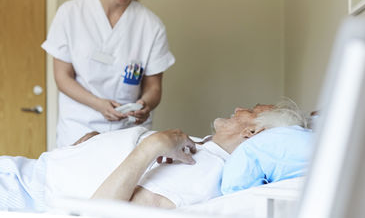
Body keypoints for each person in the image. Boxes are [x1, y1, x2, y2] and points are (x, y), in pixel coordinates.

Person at [0, 100, 309, 212]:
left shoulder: (204, 174)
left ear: (251, 134)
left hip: (24, 192)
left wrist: (151, 147)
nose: (240, 108)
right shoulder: (202, 149)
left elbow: (98, 214)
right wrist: (94, 145)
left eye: (252, 112)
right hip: (24, 172)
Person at [41, 0, 175, 147]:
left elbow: (153, 88)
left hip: (128, 134)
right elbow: (62, 77)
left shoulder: (151, 26)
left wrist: (144, 104)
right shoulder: (70, 14)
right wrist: (99, 104)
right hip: (78, 129)